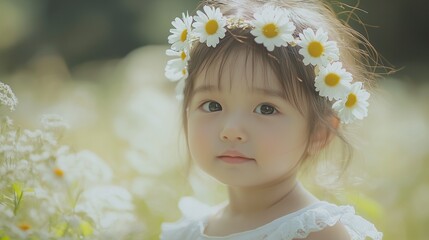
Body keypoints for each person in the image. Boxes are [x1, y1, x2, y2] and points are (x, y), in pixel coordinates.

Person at [162, 0, 383, 239]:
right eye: (212, 105)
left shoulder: (315, 232)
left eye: (266, 109)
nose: (231, 130)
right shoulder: (189, 230)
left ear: (320, 132)